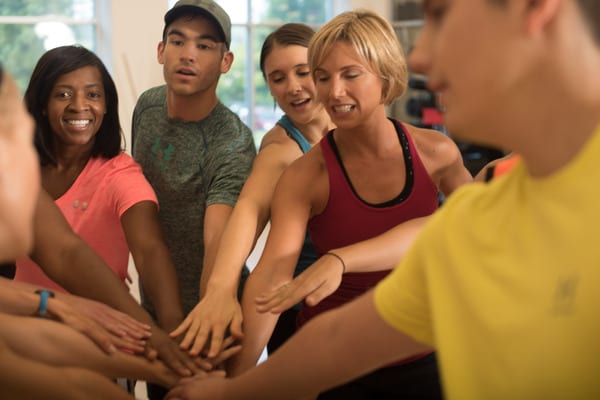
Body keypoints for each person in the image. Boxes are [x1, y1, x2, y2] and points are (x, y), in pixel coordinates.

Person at [166, 1, 600, 399]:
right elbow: (336, 337)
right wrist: (231, 380)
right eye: (320, 77)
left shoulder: (460, 177)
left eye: (440, 15)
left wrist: (339, 259)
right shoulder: (294, 161)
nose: (421, 56)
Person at [227, 9, 471, 399]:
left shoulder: (436, 152)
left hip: (423, 350)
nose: (333, 92)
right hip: (336, 360)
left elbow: (476, 230)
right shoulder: (305, 176)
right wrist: (234, 384)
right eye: (322, 77)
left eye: (350, 74)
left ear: (385, 75)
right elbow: (273, 276)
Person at [13, 45, 203, 379]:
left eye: (93, 94)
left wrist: (170, 328)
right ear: (42, 104)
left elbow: (149, 250)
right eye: (63, 94)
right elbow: (64, 252)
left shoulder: (119, 173)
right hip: (22, 332)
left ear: (106, 105)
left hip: (104, 338)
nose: (79, 106)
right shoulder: (16, 170)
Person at [170, 22, 333, 359]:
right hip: (304, 315)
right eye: (278, 78)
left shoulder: (355, 127)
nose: (293, 87)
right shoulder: (281, 150)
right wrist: (219, 291)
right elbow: (248, 209)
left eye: (303, 72)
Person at [132, 0, 256, 397]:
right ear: (160, 50)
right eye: (177, 41)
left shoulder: (231, 141)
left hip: (206, 321)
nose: (188, 54)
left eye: (204, 46)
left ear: (225, 61)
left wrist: (204, 334)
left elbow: (218, 237)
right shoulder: (147, 106)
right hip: (151, 305)